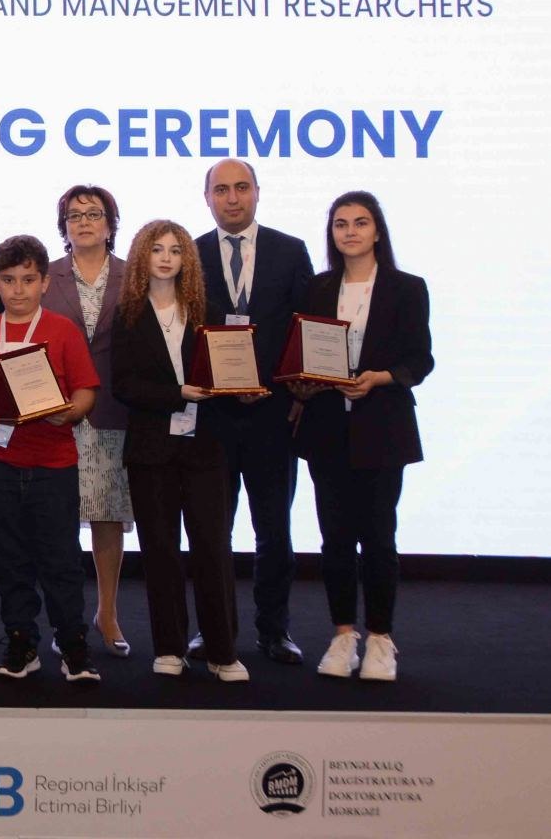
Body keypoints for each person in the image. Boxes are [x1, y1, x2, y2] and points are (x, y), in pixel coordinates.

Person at [291, 192, 432, 682]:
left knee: (378, 537)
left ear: (377, 231)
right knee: (334, 538)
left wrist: (380, 378)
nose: (350, 231)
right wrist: (305, 382)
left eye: (360, 222)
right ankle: (343, 635)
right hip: (327, 428)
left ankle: (380, 638)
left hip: (383, 428)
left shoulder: (407, 288)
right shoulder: (317, 287)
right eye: (340, 224)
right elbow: (302, 354)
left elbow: (420, 360)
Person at [111, 220, 247, 682]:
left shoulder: (209, 311)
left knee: (213, 547)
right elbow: (124, 385)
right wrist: (178, 394)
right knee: (160, 550)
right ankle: (169, 647)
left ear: (188, 259)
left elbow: (231, 370)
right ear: (142, 257)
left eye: (175, 250)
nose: (166, 258)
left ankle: (223, 651)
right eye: (157, 249)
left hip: (206, 448)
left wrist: (240, 386)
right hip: (150, 451)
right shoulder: (128, 315)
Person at [0, 235, 101, 682]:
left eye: (27, 279)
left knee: (61, 561)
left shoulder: (63, 331)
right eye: (9, 280)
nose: (18, 289)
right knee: (9, 560)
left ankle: (73, 644)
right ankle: (21, 642)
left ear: (44, 282)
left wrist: (70, 413)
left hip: (52, 464)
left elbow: (86, 390)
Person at [195, 159, 313, 664]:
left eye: (241, 187)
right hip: (213, 417)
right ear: (207, 198)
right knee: (211, 533)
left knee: (274, 531)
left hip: (272, 415)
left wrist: (297, 392)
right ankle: (214, 630)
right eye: (221, 190)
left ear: (258, 192)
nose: (232, 198)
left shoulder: (291, 250)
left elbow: (306, 328)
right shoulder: (190, 254)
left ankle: (274, 630)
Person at [44, 184, 134, 658]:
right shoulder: (45, 276)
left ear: (110, 223)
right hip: (56, 413)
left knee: (108, 517)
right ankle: (66, 619)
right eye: (74, 215)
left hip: (114, 411)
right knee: (58, 523)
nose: (83, 222)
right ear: (64, 226)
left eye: (93, 213)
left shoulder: (133, 275)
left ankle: (108, 612)